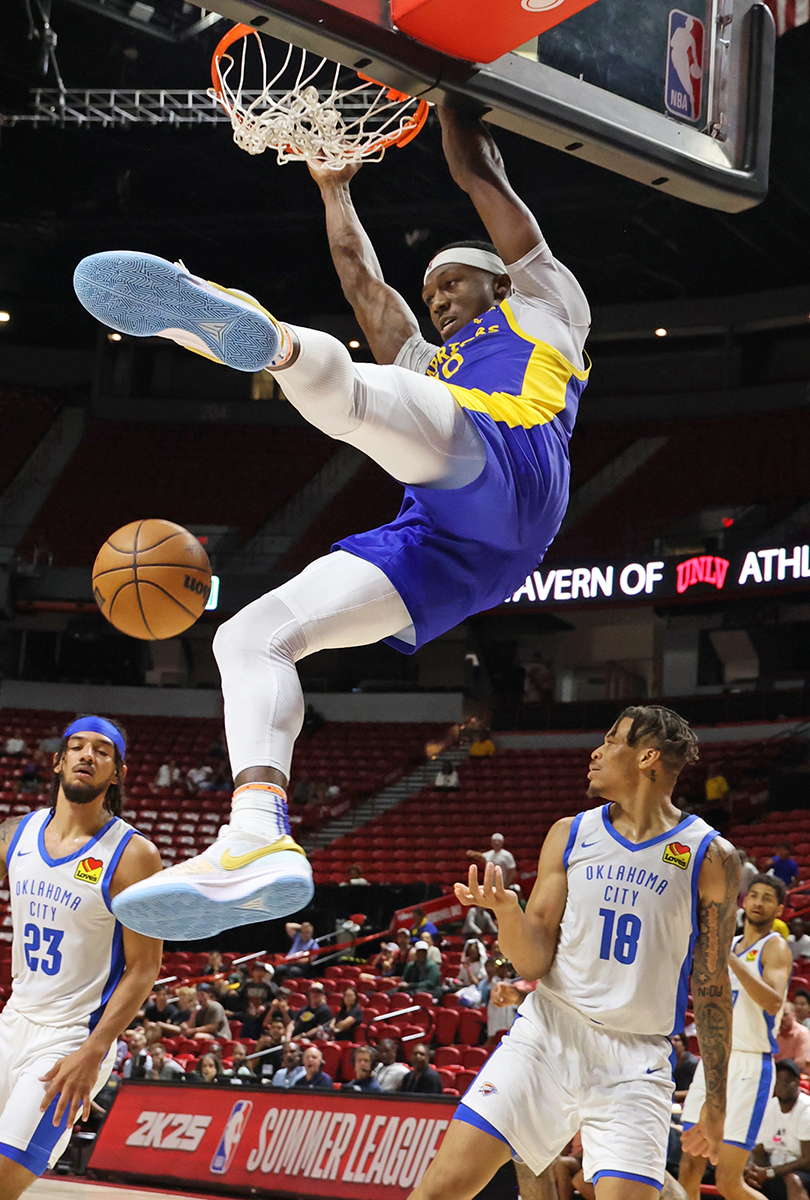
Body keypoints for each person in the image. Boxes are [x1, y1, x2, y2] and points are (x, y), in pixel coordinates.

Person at [88, 104, 592, 943]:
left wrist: (450, 88)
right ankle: (256, 836)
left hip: (514, 456)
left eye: (451, 283)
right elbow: (366, 282)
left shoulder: (545, 302)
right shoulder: (432, 361)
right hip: (449, 540)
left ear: (496, 280)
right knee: (247, 638)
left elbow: (480, 172)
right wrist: (334, 189)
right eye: (429, 289)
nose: (435, 298)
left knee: (356, 395)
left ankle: (266, 341)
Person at [410, 705, 740, 1200]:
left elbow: (712, 983)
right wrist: (508, 914)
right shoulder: (570, 833)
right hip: (547, 1034)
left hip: (635, 1061)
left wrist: (715, 1100)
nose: (597, 751)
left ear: (648, 756)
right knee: (440, 1190)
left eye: (612, 741)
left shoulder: (710, 856)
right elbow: (532, 961)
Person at [0, 715, 163, 1198]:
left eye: (102, 750)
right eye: (76, 746)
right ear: (57, 762)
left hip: (71, 1041)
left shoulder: (134, 855)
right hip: (12, 1022)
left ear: (118, 773)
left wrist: (93, 1052)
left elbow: (144, 966)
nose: (87, 755)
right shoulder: (14, 834)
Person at [680, 872, 792, 1200]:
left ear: (780, 909)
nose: (758, 901)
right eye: (754, 894)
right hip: (713, 1060)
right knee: (688, 1165)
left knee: (729, 1182)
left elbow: (772, 1001)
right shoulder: (726, 944)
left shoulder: (776, 948)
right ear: (744, 901)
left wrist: (729, 960)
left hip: (748, 1064)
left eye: (767, 898)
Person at [747, 1059, 810, 1199]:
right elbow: (759, 1149)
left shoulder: (806, 1109)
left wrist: (769, 1172)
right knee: (744, 1179)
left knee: (793, 1180)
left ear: (798, 1082)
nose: (783, 1084)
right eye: (779, 1080)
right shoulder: (768, 1108)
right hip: (774, 1168)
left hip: (801, 1171)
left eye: (788, 1080)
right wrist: (757, 1172)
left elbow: (807, 1160)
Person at [776, 1004, 810, 1074]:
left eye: (785, 1015)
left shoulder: (802, 1033)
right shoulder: (775, 1034)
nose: (782, 1019)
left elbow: (801, 1062)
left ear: (794, 1015)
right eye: (780, 1015)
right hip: (778, 1074)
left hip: (798, 1076)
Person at [252, 1017, 288, 1082]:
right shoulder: (262, 1046)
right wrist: (258, 1048)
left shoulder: (285, 1048)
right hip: (259, 1080)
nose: (276, 1030)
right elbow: (251, 1067)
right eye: (273, 1027)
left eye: (279, 1028)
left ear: (285, 1030)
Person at [670, 1032, 699, 1104]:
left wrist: (670, 1094)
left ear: (684, 1045)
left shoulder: (692, 1064)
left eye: (676, 1040)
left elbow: (695, 1091)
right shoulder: (665, 1062)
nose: (672, 1043)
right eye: (670, 1040)